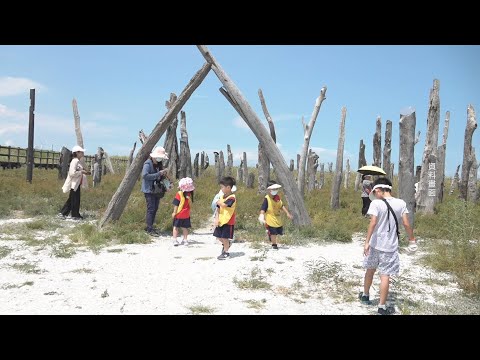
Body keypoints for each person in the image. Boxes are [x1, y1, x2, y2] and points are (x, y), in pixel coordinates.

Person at [359, 177, 417, 315]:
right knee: (385, 276)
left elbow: (373, 223)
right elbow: (406, 224)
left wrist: (366, 242)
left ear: (378, 190)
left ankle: (366, 296)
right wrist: (412, 240)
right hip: (390, 247)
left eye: (375, 192)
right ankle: (382, 306)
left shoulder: (376, 204)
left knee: (370, 270)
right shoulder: (401, 203)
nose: (374, 194)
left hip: (374, 244)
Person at [142, 146, 169, 235]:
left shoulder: (158, 165)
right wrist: (158, 173)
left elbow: (161, 178)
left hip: (156, 190)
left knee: (155, 208)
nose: (160, 159)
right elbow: (145, 176)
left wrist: (168, 184)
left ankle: (150, 227)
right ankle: (149, 229)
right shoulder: (147, 163)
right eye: (159, 157)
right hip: (149, 190)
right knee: (151, 209)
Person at [258, 181, 293, 250]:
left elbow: (281, 206)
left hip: (277, 218)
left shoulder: (277, 197)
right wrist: (261, 216)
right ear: (269, 190)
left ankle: (269, 233)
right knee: (273, 233)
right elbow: (263, 208)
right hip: (270, 219)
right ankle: (274, 245)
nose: (275, 191)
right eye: (273, 189)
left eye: (276, 189)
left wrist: (287, 213)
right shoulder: (267, 198)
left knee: (278, 232)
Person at [60, 145, 91, 220]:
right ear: (77, 153)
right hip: (74, 184)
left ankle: (64, 213)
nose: (83, 153)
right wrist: (81, 172)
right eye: (81, 152)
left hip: (76, 184)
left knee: (72, 199)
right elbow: (72, 173)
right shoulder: (75, 161)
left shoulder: (77, 161)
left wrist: (85, 172)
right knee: (75, 200)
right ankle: (74, 215)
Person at [213, 176, 237, 260]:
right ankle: (227, 244)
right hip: (220, 220)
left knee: (224, 237)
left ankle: (226, 252)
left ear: (228, 187)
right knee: (218, 236)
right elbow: (218, 208)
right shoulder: (221, 197)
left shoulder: (232, 197)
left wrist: (217, 200)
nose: (221, 189)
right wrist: (216, 219)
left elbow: (224, 205)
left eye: (222, 187)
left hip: (228, 221)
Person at [172, 177, 195, 246]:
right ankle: (185, 240)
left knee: (175, 227)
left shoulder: (179, 194)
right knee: (185, 228)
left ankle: (175, 240)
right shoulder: (189, 195)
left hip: (179, 214)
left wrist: (174, 212)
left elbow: (176, 204)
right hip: (186, 214)